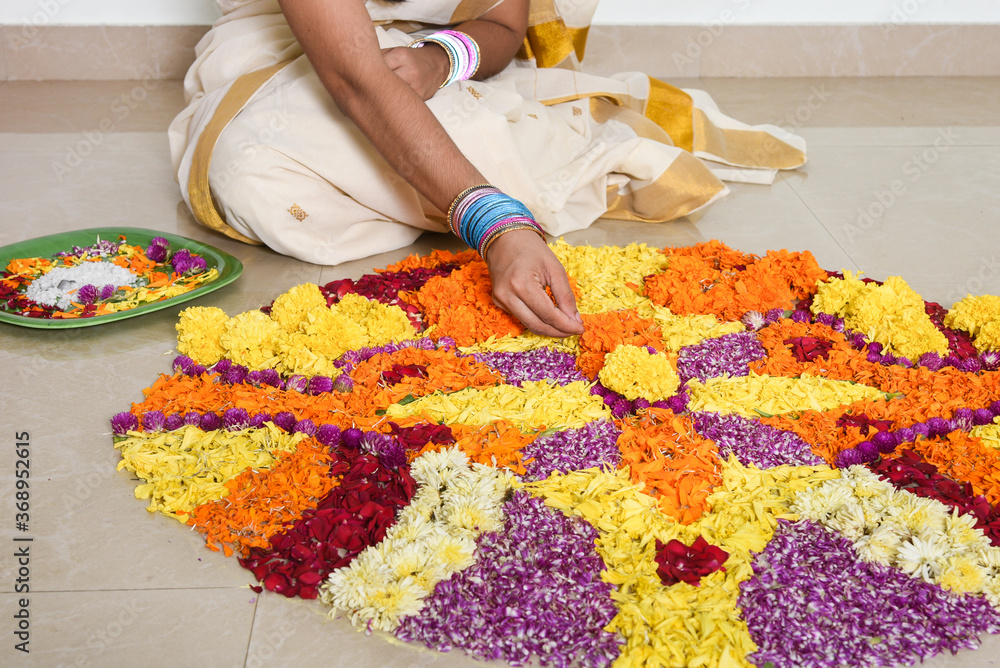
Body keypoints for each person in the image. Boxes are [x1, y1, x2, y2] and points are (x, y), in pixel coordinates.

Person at [168, 0, 806, 338]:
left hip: (417, 54)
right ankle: (455, 188)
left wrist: (439, 60)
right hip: (290, 53)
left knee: (464, 130)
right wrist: (499, 226)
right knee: (255, 176)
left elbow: (502, 23)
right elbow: (354, 78)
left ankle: (419, 180)